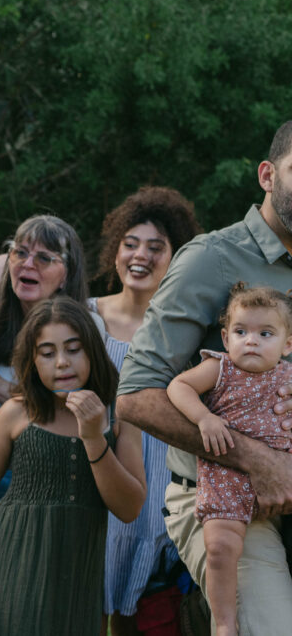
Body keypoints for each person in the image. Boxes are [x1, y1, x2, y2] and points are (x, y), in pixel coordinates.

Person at [116, 120, 292, 635]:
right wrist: (258, 460)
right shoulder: (211, 259)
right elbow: (136, 396)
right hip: (223, 500)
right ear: (267, 175)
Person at [0, 297, 146, 634]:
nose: (62, 362)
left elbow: (129, 507)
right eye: (47, 353)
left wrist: (93, 437)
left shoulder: (120, 416)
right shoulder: (16, 413)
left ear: (93, 350)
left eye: (73, 349)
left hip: (79, 575)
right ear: (32, 361)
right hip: (12, 564)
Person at [92, 187, 201, 635]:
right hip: (99, 487)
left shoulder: (186, 333)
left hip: (160, 495)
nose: (140, 256)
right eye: (131, 244)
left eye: (156, 247)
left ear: (176, 259)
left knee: (143, 619)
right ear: (115, 250)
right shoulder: (84, 319)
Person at [0, 215, 95, 529]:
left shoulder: (85, 328)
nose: (28, 264)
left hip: (51, 478)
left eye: (44, 257)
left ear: (66, 275)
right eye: (20, 252)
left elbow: (64, 405)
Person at [167, 284, 292, 636]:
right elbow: (178, 387)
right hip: (227, 479)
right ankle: (224, 623)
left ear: (287, 345)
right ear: (225, 337)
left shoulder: (287, 376)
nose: (251, 341)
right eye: (241, 332)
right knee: (221, 547)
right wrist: (204, 418)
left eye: (265, 333)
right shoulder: (220, 369)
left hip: (280, 487)